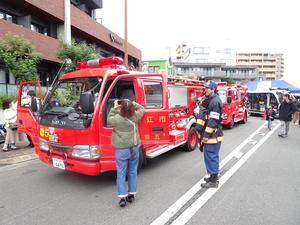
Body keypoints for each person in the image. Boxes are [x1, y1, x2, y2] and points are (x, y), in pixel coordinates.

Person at [107, 99, 145, 207]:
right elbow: (142, 108)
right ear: (132, 108)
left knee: (121, 173)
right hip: (134, 148)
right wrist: (132, 103)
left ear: (121, 108)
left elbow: (109, 119)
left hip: (122, 150)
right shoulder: (136, 116)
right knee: (132, 171)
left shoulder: (116, 119)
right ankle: (131, 195)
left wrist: (115, 107)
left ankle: (122, 197)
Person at [197, 80, 223, 188]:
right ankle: (212, 176)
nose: (205, 89)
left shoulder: (215, 102)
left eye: (207, 88)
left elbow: (213, 121)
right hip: (211, 134)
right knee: (209, 156)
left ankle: (213, 181)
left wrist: (206, 136)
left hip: (212, 135)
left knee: (211, 157)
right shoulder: (211, 100)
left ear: (213, 89)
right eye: (205, 88)